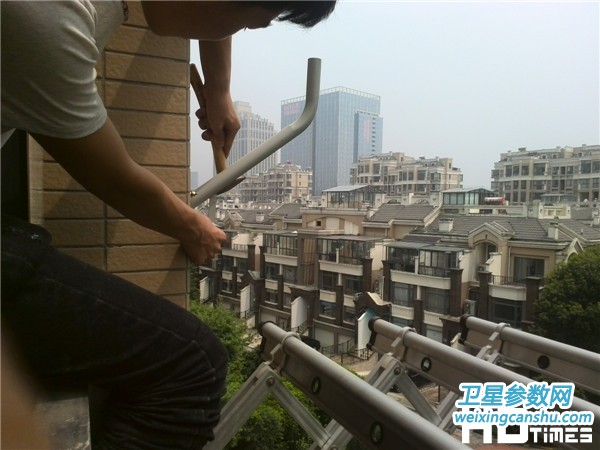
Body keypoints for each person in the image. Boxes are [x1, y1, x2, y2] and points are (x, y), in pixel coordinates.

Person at [0, 1, 336, 449]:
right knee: (193, 364)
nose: (248, 26)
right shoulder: (48, 20)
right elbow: (114, 177)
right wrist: (192, 227)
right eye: (253, 16)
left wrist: (218, 90)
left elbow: (214, 15)